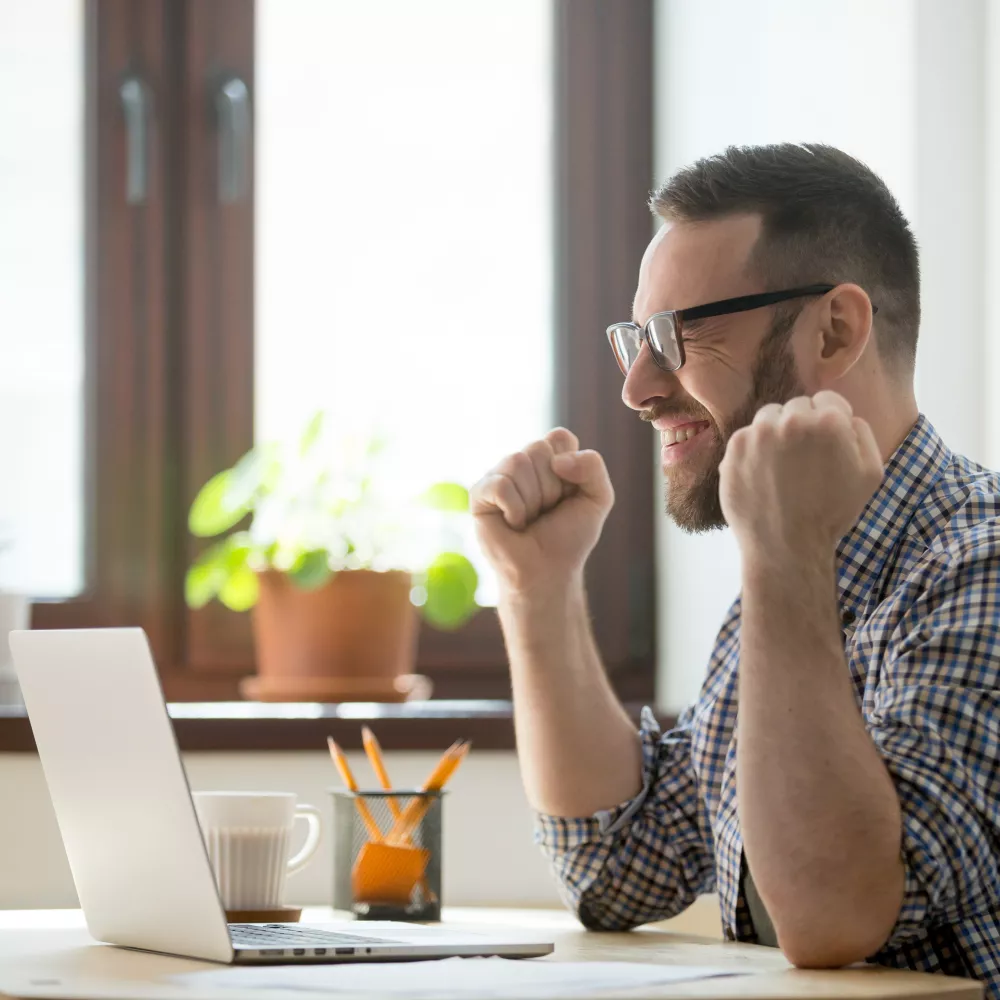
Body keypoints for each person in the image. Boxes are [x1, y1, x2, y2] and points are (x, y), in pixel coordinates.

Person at [470, 143, 1000, 993]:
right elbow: (618, 867)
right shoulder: (795, 571)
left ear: (835, 331)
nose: (638, 387)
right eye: (635, 340)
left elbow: (838, 919)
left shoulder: (981, 565)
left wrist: (786, 558)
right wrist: (539, 591)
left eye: (680, 335)